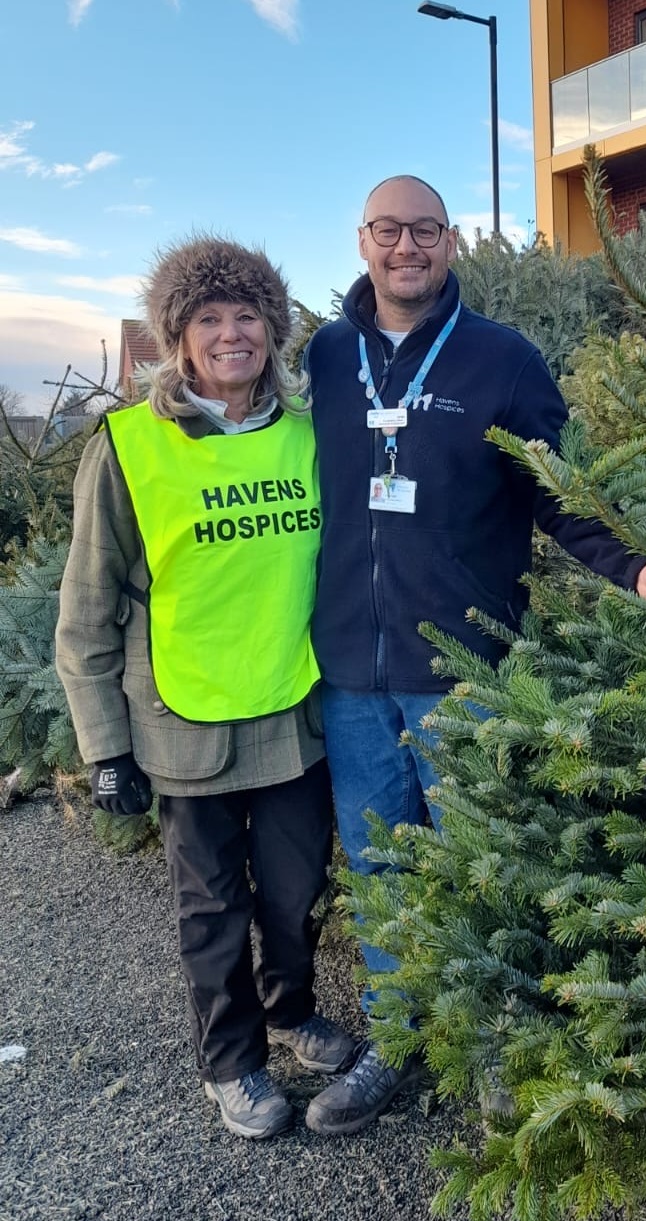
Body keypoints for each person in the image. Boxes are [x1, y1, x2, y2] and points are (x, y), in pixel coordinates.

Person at [303, 175, 646, 1137]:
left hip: (467, 669)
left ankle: (493, 1050)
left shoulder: (502, 359)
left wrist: (632, 567)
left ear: (452, 243)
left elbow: (555, 492)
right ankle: (398, 1039)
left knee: (485, 865)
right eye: (389, 230)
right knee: (381, 867)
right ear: (362, 240)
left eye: (426, 230)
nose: (408, 247)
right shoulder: (322, 357)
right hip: (352, 671)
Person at [55, 236, 358, 1141]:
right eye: (210, 319)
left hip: (292, 710)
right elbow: (86, 608)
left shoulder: (308, 433)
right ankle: (232, 1062)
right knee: (211, 905)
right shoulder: (129, 447)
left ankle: (292, 1009)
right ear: (179, 339)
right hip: (182, 722)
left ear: (274, 328)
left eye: (249, 316)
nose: (233, 335)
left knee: (294, 888)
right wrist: (104, 745)